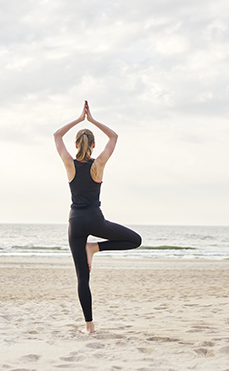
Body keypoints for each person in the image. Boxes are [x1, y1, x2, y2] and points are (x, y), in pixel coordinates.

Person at [53, 101, 142, 334]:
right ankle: (95, 248)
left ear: (75, 145)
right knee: (135, 240)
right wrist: (91, 119)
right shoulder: (99, 164)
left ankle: (89, 327)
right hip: (95, 219)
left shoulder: (69, 164)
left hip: (75, 223)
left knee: (82, 277)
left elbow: (56, 135)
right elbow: (114, 137)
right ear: (93, 145)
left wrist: (78, 119)